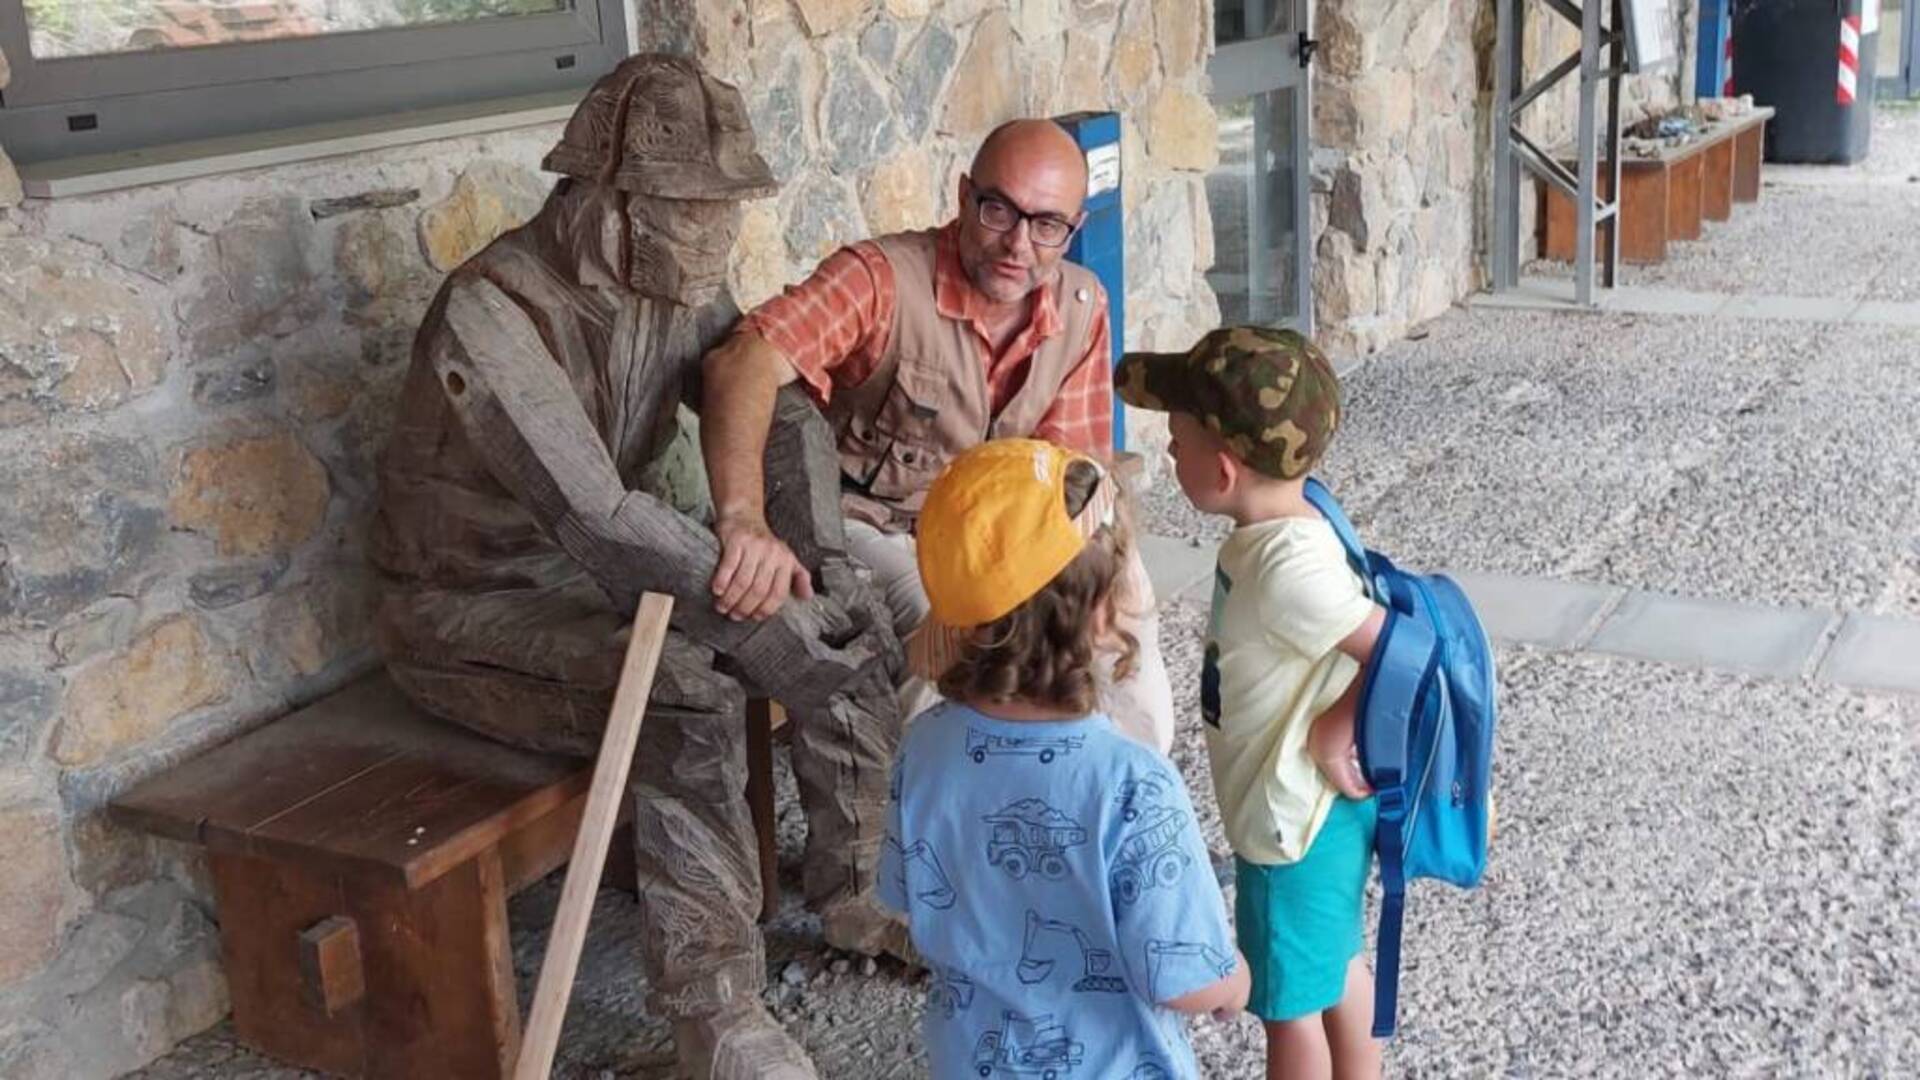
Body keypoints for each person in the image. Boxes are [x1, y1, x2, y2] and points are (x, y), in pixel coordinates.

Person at [369, 55, 906, 1080]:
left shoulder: (671, 280)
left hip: (602, 574)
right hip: (467, 608)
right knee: (684, 687)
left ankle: (853, 893)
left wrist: (814, 554)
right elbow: (596, 512)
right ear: (600, 199)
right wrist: (752, 601)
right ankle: (715, 1016)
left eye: (723, 213)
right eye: (685, 213)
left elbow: (777, 402)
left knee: (848, 614)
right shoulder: (491, 313)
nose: (711, 241)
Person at [698, 118, 1175, 751]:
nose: (1018, 245)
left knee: (1125, 595)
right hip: (875, 524)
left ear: (1073, 230)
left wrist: (1094, 576)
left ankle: (1127, 791)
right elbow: (745, 360)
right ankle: (933, 813)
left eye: (1046, 225)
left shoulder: (1082, 305)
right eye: (998, 211)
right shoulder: (882, 278)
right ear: (963, 196)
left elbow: (1075, 478)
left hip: (999, 523)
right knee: (952, 622)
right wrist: (742, 519)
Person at [876, 438, 1248, 1078]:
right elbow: (1183, 976)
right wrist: (1234, 981)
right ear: (1102, 613)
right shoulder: (1133, 783)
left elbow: (908, 896)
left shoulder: (924, 748)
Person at [1116, 326, 1386, 1080]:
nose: (1169, 453)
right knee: (1335, 959)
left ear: (1225, 468)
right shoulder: (1295, 522)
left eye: (1176, 441)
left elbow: (1399, 649)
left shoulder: (1285, 569)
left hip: (1287, 822)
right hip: (1319, 812)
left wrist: (1338, 727)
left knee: (1288, 1007)